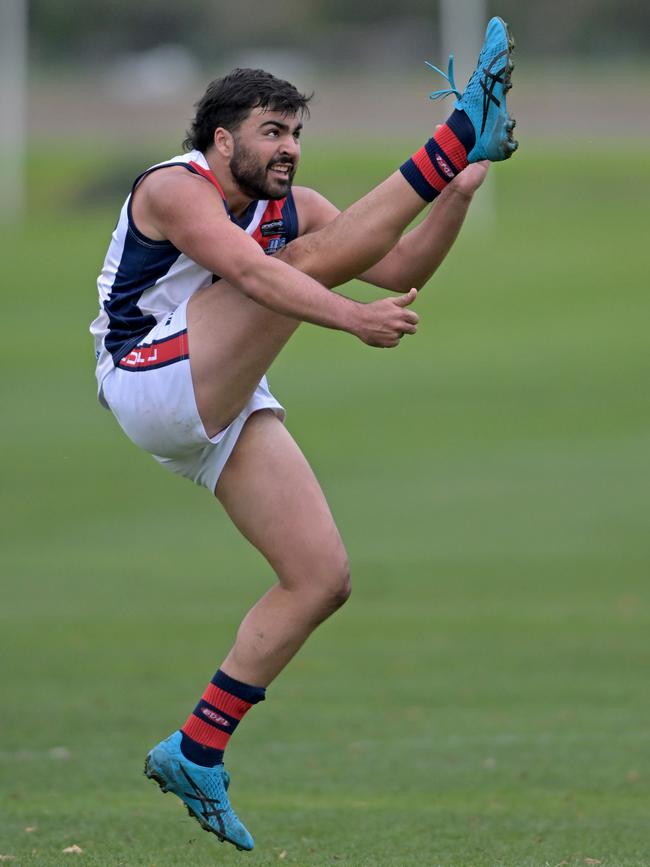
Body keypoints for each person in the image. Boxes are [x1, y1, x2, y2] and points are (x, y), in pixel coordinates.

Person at [91, 16, 516, 851]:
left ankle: (198, 747)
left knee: (320, 575)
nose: (288, 148)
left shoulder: (292, 209)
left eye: (295, 133)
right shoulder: (175, 186)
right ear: (221, 140)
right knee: (299, 261)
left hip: (218, 391)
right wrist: (351, 320)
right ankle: (458, 127)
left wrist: (458, 193)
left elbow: (395, 265)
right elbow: (254, 275)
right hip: (148, 376)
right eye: (271, 133)